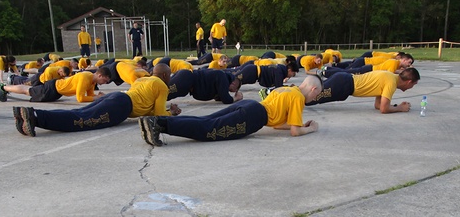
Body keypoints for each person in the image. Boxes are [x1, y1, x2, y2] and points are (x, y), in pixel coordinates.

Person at [137, 75, 323, 146]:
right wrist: (310, 128)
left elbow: (279, 125)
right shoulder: (298, 98)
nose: (314, 99)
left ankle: (156, 122)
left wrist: (296, 124)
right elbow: (294, 131)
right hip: (253, 117)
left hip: (250, 106)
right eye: (317, 95)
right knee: (208, 130)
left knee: (206, 121)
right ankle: (159, 123)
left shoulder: (288, 89)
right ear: (313, 89)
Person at [11, 69, 176, 137]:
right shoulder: (162, 86)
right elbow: (159, 115)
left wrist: (166, 110)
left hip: (117, 97)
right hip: (121, 106)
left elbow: (147, 107)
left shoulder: (143, 79)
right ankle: (35, 116)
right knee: (82, 121)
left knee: (79, 114)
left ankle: (28, 116)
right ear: (165, 76)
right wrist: (171, 113)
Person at [307, 69, 421, 114]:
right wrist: (400, 108)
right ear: (409, 82)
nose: (413, 87)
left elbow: (378, 105)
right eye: (414, 84)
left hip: (344, 82)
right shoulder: (391, 82)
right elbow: (383, 109)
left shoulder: (390, 77)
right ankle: (290, 98)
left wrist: (394, 107)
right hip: (343, 85)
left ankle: (291, 91)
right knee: (308, 99)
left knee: (309, 93)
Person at [0, 69, 112, 103]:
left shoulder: (92, 81)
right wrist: (97, 98)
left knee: (29, 90)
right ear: (100, 75)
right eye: (105, 81)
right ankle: (3, 87)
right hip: (53, 88)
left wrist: (97, 96)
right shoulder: (85, 77)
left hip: (57, 92)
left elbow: (90, 96)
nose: (105, 83)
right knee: (28, 91)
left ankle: (6, 87)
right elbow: (80, 98)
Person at [167, 68, 243, 104]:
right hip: (187, 79)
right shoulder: (223, 78)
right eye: (235, 89)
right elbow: (226, 99)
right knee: (164, 93)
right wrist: (236, 98)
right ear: (234, 83)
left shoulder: (222, 77)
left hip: (186, 77)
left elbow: (220, 97)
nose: (232, 91)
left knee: (164, 91)